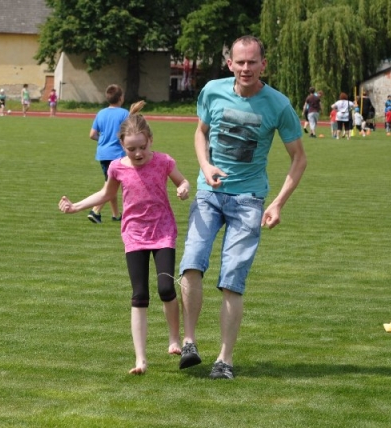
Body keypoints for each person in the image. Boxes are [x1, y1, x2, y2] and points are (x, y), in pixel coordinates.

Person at [178, 35, 307, 380]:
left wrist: (278, 203)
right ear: (230, 63)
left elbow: (299, 158)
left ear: (264, 64)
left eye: (252, 62)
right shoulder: (212, 91)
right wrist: (205, 166)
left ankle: (224, 360)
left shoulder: (278, 105)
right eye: (240, 62)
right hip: (209, 193)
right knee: (191, 262)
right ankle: (189, 341)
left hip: (248, 201)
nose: (246, 68)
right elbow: (200, 133)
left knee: (232, 280)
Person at [59, 102, 190, 374]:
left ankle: (174, 339)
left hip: (163, 231)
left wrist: (184, 189)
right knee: (139, 294)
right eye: (131, 149)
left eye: (142, 146)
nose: (138, 153)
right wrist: (76, 206)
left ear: (150, 140)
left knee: (166, 288)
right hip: (134, 234)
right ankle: (140, 359)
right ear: (122, 144)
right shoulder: (117, 167)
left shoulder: (163, 161)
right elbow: (106, 194)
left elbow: (182, 181)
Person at [87, 84, 131, 224]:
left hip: (103, 154)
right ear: (121, 98)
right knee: (111, 186)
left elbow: (92, 135)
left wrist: (104, 140)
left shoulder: (101, 113)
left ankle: (116, 215)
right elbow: (130, 134)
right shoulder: (124, 114)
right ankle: (95, 210)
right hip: (117, 154)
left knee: (111, 183)